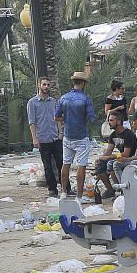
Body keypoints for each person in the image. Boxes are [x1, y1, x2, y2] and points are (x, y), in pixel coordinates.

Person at [55, 71, 97, 201]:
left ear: (74, 83)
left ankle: (63, 192)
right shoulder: (86, 99)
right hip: (81, 136)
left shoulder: (63, 98)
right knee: (81, 165)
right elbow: (92, 118)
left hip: (68, 136)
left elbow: (56, 117)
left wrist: (66, 118)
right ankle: (79, 195)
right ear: (83, 83)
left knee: (66, 163)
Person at [26, 77, 63, 197]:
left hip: (55, 137)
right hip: (43, 138)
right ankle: (52, 189)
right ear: (39, 85)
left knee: (61, 164)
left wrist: (60, 132)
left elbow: (57, 118)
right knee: (47, 166)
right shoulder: (32, 103)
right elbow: (32, 122)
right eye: (44, 84)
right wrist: (34, 138)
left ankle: (66, 187)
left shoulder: (53, 101)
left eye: (48, 85)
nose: (46, 87)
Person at [93, 110, 137, 199]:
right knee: (100, 165)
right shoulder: (113, 135)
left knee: (111, 163)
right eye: (109, 120)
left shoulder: (128, 134)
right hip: (120, 158)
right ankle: (110, 190)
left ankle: (122, 189)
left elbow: (126, 154)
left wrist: (109, 157)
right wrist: (100, 158)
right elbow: (108, 152)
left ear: (118, 121)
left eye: (111, 120)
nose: (109, 123)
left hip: (130, 159)